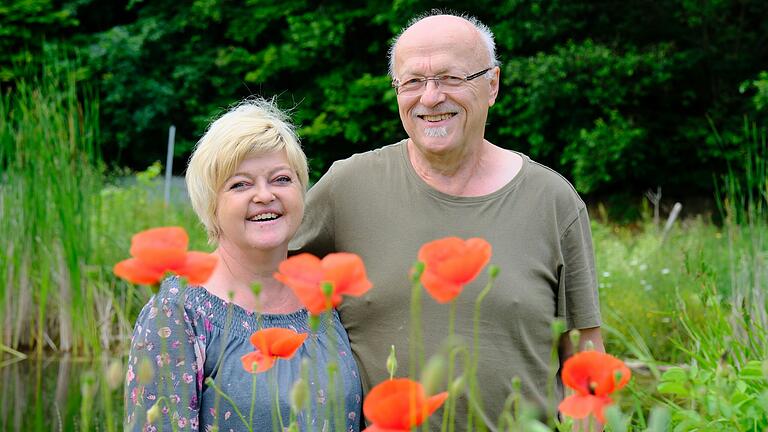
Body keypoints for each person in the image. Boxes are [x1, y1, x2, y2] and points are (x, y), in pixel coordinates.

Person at [290, 12, 604, 430]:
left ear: (492, 84)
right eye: (413, 82)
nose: (431, 97)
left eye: (451, 78)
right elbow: (264, 287)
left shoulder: (552, 201)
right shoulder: (346, 188)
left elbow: (586, 358)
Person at [124, 99, 363, 431]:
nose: (264, 195)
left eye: (281, 179)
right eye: (240, 184)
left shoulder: (325, 296)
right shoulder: (177, 312)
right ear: (211, 204)